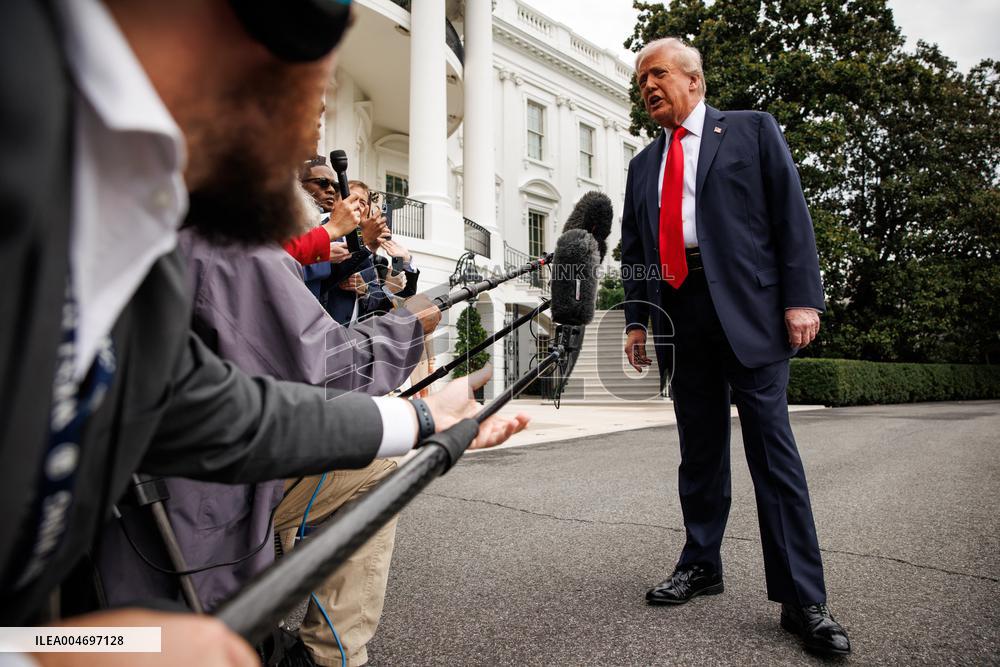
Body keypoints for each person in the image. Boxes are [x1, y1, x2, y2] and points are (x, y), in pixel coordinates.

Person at [0, 2, 528, 665]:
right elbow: (310, 361)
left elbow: (214, 406)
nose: (317, 120)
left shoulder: (140, 191)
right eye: (320, 90)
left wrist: (421, 418)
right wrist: (64, 652)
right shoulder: (41, 139)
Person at [619, 38, 850, 656]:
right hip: (678, 309)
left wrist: (802, 299)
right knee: (698, 450)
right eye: (641, 80)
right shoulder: (643, 165)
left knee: (772, 454)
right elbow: (636, 249)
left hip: (751, 309)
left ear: (693, 80)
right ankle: (702, 563)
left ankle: (803, 599)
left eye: (657, 74)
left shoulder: (751, 130)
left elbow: (789, 214)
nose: (647, 86)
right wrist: (637, 322)